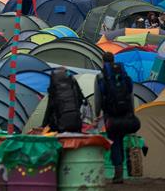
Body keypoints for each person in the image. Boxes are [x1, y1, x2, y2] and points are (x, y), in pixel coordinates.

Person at [94, 52, 136, 184]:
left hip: (110, 114)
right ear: (113, 60)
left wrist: (97, 114)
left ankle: (118, 172)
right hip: (125, 112)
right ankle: (121, 171)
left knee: (114, 141)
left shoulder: (101, 77)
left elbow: (98, 98)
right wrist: (131, 112)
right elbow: (130, 94)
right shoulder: (123, 75)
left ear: (102, 61)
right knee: (120, 139)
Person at [42, 67, 84, 133]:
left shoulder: (55, 88)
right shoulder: (73, 83)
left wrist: (44, 125)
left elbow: (50, 107)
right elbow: (81, 101)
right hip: (77, 123)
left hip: (60, 125)